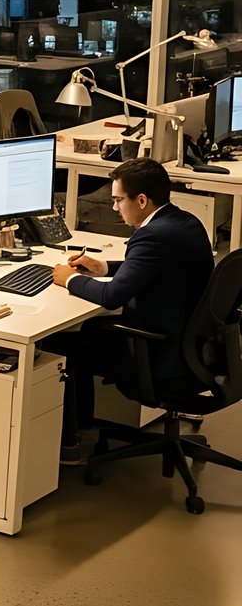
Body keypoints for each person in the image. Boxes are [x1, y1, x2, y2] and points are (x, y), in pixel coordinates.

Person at [44, 157, 213, 463]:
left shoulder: (151, 236)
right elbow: (153, 268)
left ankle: (68, 445)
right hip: (195, 350)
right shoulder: (184, 223)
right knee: (87, 332)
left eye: (118, 200)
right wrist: (104, 265)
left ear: (142, 200)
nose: (114, 208)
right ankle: (81, 427)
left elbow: (111, 296)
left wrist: (70, 279)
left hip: (159, 354)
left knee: (57, 344)